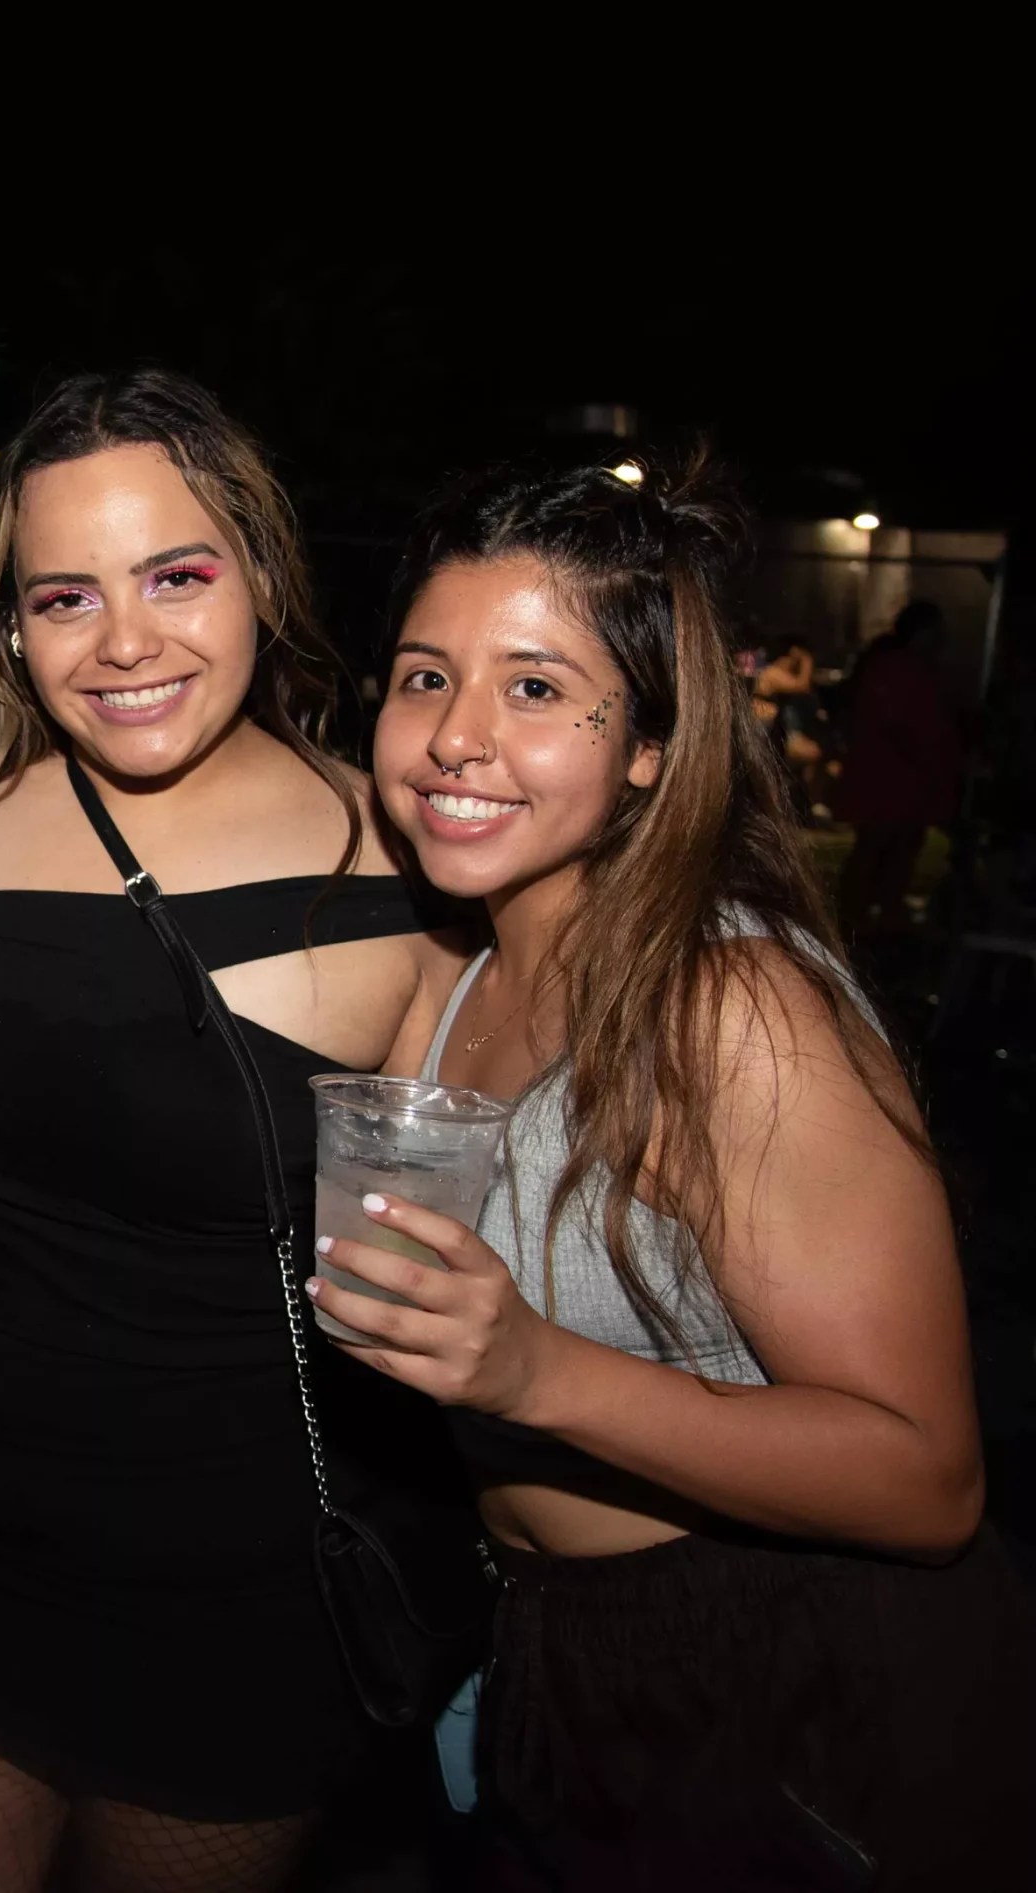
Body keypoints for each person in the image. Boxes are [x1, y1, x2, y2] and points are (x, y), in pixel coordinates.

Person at [331, 452, 1036, 1887]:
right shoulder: (451, 984)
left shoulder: (723, 1008)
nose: (457, 735)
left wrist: (532, 1374)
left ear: (648, 743)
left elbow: (927, 1479)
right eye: (424, 678)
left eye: (537, 688)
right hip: (554, 1653)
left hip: (790, 1674)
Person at [0, 369, 470, 1892]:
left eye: (176, 576)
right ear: (10, 632)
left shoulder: (407, 872)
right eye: (64, 597)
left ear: (259, 574)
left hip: (238, 1608)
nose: (124, 642)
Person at [835, 598, 961, 939]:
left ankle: (879, 913)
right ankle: (855, 916)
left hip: (902, 781)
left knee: (896, 848)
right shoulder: (895, 670)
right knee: (877, 846)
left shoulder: (908, 669)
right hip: (890, 780)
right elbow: (903, 725)